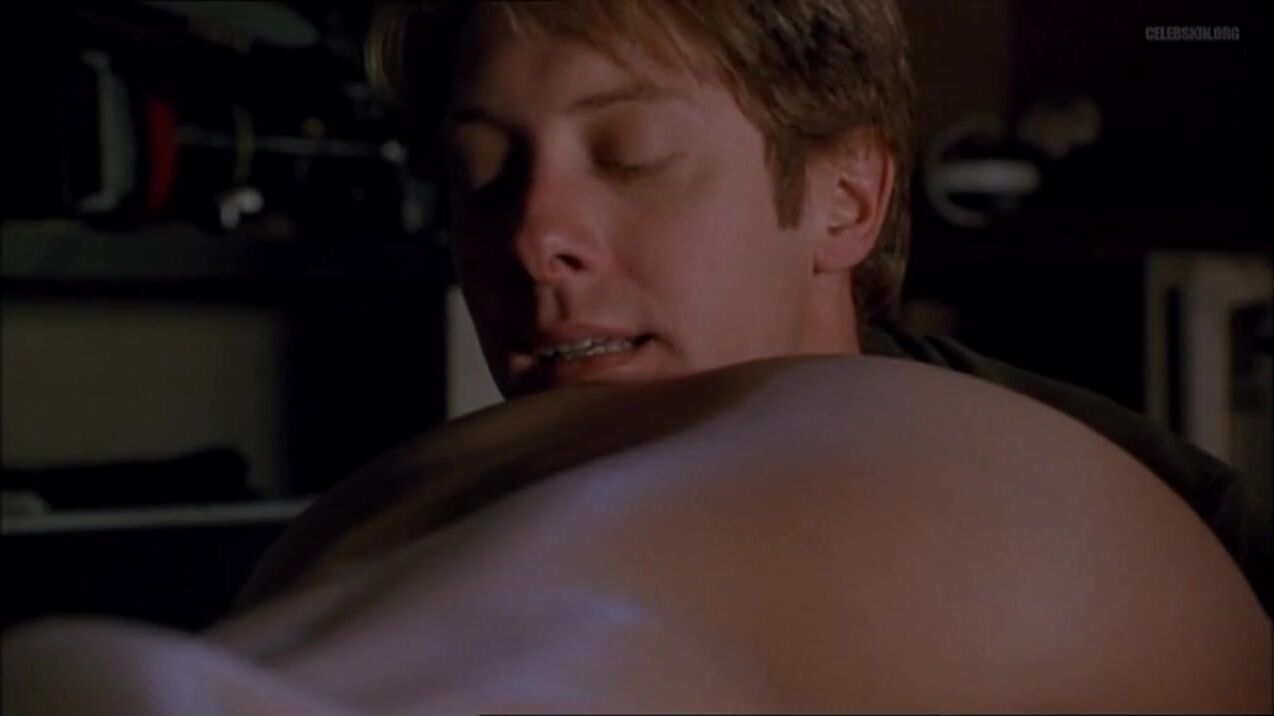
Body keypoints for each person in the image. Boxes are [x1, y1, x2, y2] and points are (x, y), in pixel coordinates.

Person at [3, 1, 1268, 713]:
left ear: (844, 198)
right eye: (480, 174)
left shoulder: (1162, 526)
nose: (532, 235)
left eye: (630, 157)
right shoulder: (386, 522)